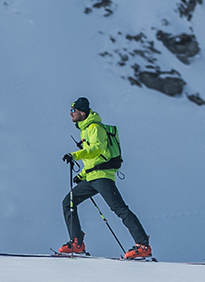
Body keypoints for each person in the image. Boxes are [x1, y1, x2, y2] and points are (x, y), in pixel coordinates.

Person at [58, 97, 152, 259]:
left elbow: (97, 149)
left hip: (102, 177)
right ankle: (76, 243)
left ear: (82, 112)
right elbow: (93, 160)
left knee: (119, 209)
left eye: (73, 111)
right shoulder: (85, 130)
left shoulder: (95, 128)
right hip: (92, 177)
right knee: (68, 202)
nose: (70, 113)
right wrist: (81, 176)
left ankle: (143, 245)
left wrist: (75, 155)